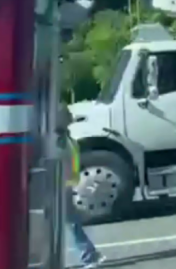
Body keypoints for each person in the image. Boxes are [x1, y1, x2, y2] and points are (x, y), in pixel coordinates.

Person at [57, 105, 106, 268]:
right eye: (66, 114)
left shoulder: (61, 138)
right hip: (62, 183)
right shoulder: (63, 137)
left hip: (59, 184)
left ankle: (90, 256)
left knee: (69, 221)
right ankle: (90, 255)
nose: (69, 116)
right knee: (70, 221)